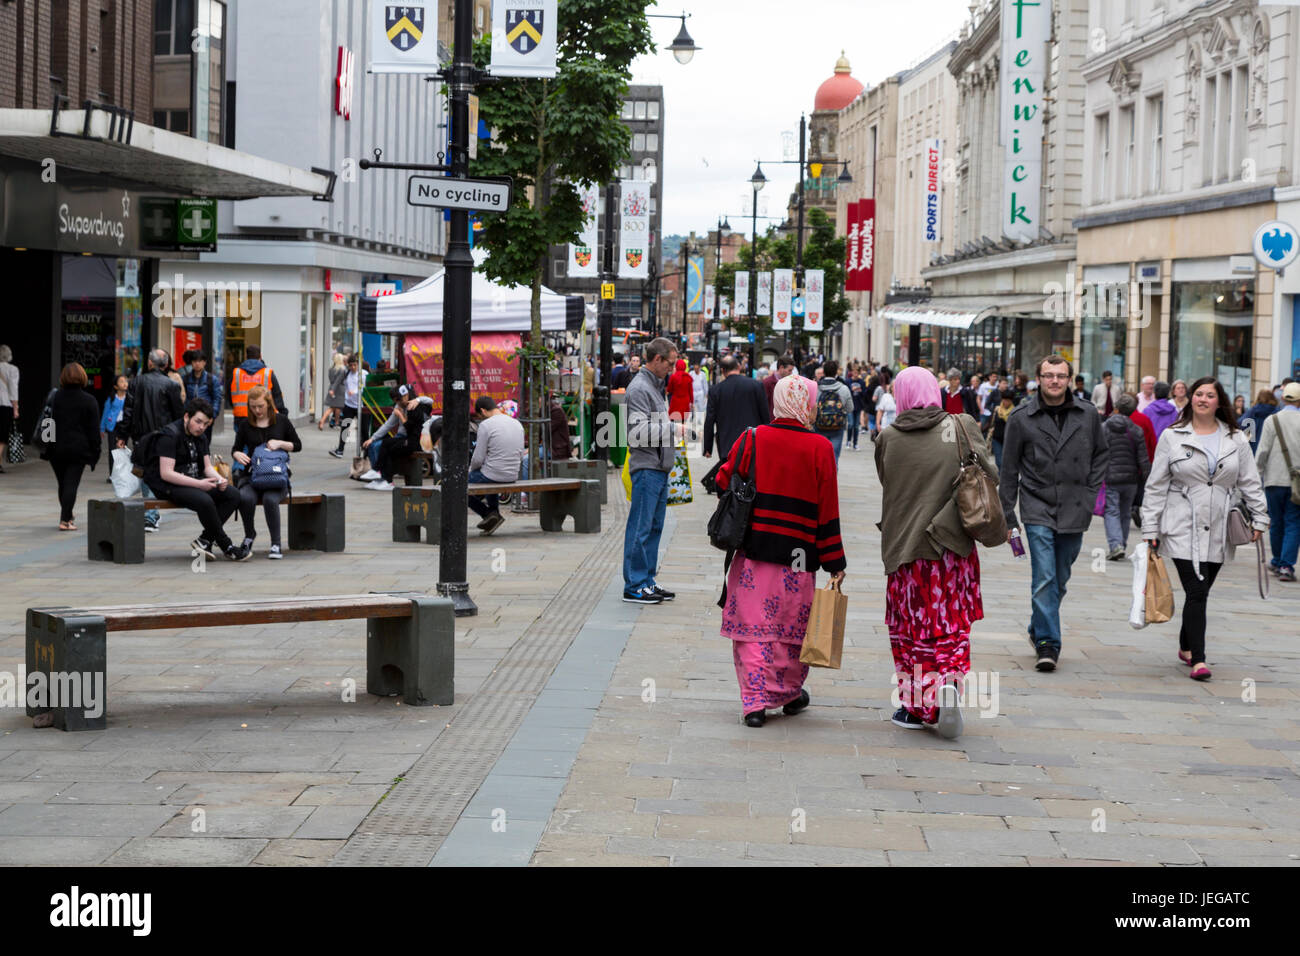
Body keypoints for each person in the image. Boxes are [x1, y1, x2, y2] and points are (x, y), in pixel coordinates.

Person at [716, 373, 845, 727]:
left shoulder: (752, 438)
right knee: (791, 629)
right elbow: (827, 509)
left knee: (753, 628)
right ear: (804, 403)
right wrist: (835, 561)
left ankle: (754, 702)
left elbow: (722, 480)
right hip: (798, 558)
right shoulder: (820, 447)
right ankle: (786, 692)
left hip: (755, 552)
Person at [875, 366, 993, 737]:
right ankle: (949, 686)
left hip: (906, 550)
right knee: (950, 624)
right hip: (952, 549)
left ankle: (916, 707)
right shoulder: (961, 426)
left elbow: (887, 481)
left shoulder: (888, 438)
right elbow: (990, 471)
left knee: (909, 630)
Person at [1141, 377, 1268, 680]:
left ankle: (1186, 645)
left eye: (1210, 395)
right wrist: (1150, 528)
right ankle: (1198, 659)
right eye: (1198, 394)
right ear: (1189, 398)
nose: (1202, 399)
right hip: (1182, 522)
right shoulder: (1173, 436)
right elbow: (1156, 485)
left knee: (1201, 591)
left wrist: (1261, 518)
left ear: (1218, 401)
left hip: (1220, 525)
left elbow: (1250, 481)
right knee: (1197, 590)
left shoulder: (1236, 438)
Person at [998, 354, 1108, 672]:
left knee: (1059, 578)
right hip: (1036, 505)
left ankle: (1037, 625)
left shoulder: (1087, 414)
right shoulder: (1021, 417)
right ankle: (1048, 643)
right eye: (1049, 376)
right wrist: (1008, 516)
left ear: (1070, 379)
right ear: (1039, 379)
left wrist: (1090, 495)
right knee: (1044, 575)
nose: (1055, 381)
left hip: (1076, 507)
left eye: (1061, 376)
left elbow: (1102, 455)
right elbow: (1009, 470)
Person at [143, 397, 248, 561]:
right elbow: (166, 473)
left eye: (206, 424)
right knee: (205, 500)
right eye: (198, 422)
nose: (201, 427)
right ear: (186, 417)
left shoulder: (201, 437)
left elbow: (207, 467)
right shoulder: (169, 435)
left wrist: (220, 479)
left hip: (193, 482)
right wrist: (199, 484)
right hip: (168, 485)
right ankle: (226, 545)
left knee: (233, 494)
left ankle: (205, 540)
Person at [623, 338, 679, 604]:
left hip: (658, 466)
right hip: (647, 467)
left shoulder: (655, 386)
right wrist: (672, 429)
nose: (672, 368)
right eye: (670, 363)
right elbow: (636, 433)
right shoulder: (640, 388)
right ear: (657, 359)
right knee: (641, 528)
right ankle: (634, 584)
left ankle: (646, 580)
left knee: (654, 527)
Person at [115, 348, 184, 532]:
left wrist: (122, 435)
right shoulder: (171, 385)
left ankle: (151, 514)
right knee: (158, 472)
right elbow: (178, 415)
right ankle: (152, 513)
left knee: (147, 474)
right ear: (166, 365)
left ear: (150, 363)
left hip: (142, 436)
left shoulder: (136, 382)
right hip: (164, 436)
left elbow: (127, 411)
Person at [231, 385, 302, 559]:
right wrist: (237, 454)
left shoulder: (281, 421)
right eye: (253, 407)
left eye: (260, 406)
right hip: (252, 475)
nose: (257, 410)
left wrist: (280, 443)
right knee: (245, 498)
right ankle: (249, 535)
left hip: (276, 476)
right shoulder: (245, 425)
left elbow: (297, 445)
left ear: (269, 404)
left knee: (271, 500)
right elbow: (235, 448)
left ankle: (276, 544)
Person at [45, 363, 101, 531]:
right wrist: (95, 452)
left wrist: (46, 446)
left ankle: (68, 515)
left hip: (56, 448)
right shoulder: (89, 400)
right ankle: (64, 520)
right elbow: (94, 430)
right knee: (71, 484)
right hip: (79, 449)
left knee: (63, 483)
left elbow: (47, 421)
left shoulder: (54, 397)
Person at [1254, 381, 1300, 582]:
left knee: (1276, 522)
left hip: (1273, 479)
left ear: (1283, 398)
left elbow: (1262, 450)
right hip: (1297, 483)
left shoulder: (1272, 420)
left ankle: (1277, 559)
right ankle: (1286, 566)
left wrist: (1256, 475)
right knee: (1293, 522)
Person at [1101, 394, 1150, 560]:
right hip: (1130, 479)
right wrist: (1147, 478)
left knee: (1112, 511)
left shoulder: (1104, 428)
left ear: (1116, 408)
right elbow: (1143, 458)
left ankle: (1116, 545)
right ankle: (1121, 543)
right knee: (1125, 512)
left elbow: (1097, 452)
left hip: (1110, 477)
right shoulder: (1136, 430)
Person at [468, 395, 525, 535]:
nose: (481, 419)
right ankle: (494, 513)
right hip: (512, 474)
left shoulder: (486, 425)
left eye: (480, 416)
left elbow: (477, 459)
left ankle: (488, 514)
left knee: (457, 486)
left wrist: (471, 470)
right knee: (489, 471)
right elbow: (521, 453)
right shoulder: (517, 423)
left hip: (494, 474)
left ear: (483, 410)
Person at [360, 385, 434, 490]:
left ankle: (383, 477)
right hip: (407, 438)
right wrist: (372, 438)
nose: (399, 403)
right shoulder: (403, 406)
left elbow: (410, 427)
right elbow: (388, 425)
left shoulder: (414, 406)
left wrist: (401, 414)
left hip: (413, 440)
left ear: (407, 395)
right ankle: (379, 475)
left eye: (400, 399)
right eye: (396, 401)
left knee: (385, 447)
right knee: (377, 445)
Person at [702, 355, 769, 461]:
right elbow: (765, 415)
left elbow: (709, 420)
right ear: (738, 367)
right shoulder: (756, 386)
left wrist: (708, 447)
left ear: (723, 370)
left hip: (727, 445)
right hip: (752, 443)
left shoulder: (716, 390)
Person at [230, 345, 287, 419]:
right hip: (264, 415)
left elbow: (229, 394)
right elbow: (277, 396)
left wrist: (236, 406)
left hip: (241, 416)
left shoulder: (236, 373)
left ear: (246, 356)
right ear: (260, 356)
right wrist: (282, 414)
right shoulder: (267, 373)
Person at [814, 360, 853, 462]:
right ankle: (832, 476)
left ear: (824, 372)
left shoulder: (816, 388)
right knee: (834, 456)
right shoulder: (843, 388)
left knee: (820, 456)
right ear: (836, 372)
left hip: (819, 425)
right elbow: (850, 408)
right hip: (837, 427)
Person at [330, 355, 365, 458]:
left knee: (364, 430)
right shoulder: (347, 373)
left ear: (358, 364)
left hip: (362, 406)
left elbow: (364, 388)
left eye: (355, 365)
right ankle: (340, 450)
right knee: (345, 427)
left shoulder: (363, 374)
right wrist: (334, 390)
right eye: (351, 365)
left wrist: (353, 392)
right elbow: (340, 382)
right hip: (349, 406)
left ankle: (366, 452)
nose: (353, 367)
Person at [180, 351, 221, 429]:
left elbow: (217, 399)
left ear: (204, 362)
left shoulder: (212, 379)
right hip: (190, 417)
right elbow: (182, 399)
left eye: (200, 361)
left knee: (204, 440)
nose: (197, 364)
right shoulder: (185, 379)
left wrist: (212, 416)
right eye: (194, 361)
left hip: (206, 417)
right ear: (191, 363)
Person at [100, 374, 129, 460]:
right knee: (112, 450)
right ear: (116, 386)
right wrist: (102, 428)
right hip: (112, 426)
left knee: (123, 448)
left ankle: (122, 471)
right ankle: (112, 471)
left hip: (124, 427)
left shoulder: (129, 398)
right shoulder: (112, 398)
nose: (125, 383)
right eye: (121, 381)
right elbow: (105, 413)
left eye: (126, 381)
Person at [1240, 388, 1278, 453]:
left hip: (1253, 448)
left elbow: (1240, 424)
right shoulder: (1277, 412)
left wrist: (1249, 433)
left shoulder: (1252, 411)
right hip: (1272, 450)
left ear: (1259, 397)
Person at [0, 344, 18, 472]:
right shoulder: (12, 369)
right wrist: (15, 407)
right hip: (4, 404)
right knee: (1, 437)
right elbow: (13, 389)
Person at [319, 352, 347, 430]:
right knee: (338, 407)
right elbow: (338, 381)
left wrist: (331, 389)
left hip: (332, 387)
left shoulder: (331, 369)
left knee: (332, 407)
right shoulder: (342, 369)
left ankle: (322, 420)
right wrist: (333, 390)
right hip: (339, 389)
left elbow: (331, 379)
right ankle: (336, 423)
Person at [990, 388, 1015, 469]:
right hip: (996, 439)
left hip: (1009, 440)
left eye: (1007, 400)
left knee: (1008, 462)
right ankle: (1001, 480)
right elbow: (992, 422)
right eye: (1004, 399)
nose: (1005, 402)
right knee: (999, 462)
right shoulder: (997, 409)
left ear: (1011, 400)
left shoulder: (1015, 412)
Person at [666, 358, 694, 426]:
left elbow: (669, 390)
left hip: (675, 401)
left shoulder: (673, 377)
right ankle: (682, 433)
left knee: (674, 419)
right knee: (683, 420)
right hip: (685, 401)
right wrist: (692, 402)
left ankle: (675, 434)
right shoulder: (688, 377)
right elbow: (691, 391)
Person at [846, 364, 867, 450]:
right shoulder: (848, 381)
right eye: (854, 372)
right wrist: (852, 389)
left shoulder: (862, 382)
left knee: (856, 426)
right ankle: (848, 441)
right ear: (851, 372)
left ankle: (855, 443)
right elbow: (846, 393)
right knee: (850, 424)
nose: (855, 374)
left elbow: (864, 394)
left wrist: (860, 390)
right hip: (850, 405)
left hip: (858, 405)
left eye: (857, 372)